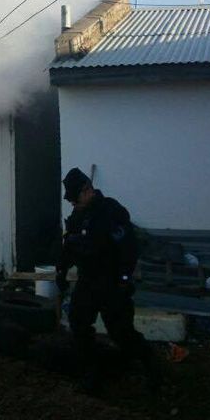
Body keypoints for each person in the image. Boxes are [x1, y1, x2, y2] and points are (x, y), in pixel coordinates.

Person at [56, 167, 161, 395]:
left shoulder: (111, 212)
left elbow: (129, 250)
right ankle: (91, 373)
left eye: (75, 200)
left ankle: (150, 363)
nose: (73, 205)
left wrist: (124, 280)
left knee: (120, 332)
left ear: (87, 191)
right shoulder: (77, 216)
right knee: (78, 323)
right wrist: (61, 271)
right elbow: (70, 246)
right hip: (87, 281)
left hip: (112, 282)